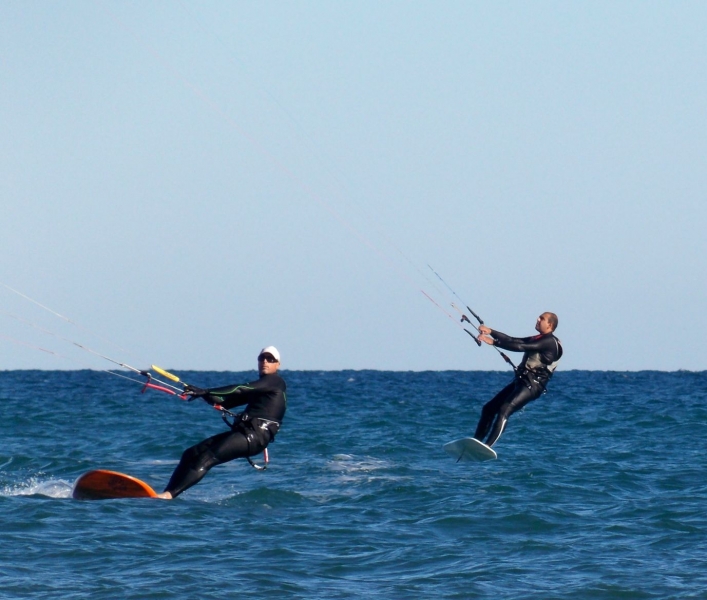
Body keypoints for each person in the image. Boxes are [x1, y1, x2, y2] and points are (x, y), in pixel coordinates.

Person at [156, 346, 287, 499]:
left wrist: (206, 390)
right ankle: (165, 494)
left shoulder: (275, 381)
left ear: (277, 364)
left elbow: (241, 388)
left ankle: (168, 495)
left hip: (255, 436)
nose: (265, 362)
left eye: (270, 359)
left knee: (206, 458)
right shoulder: (261, 388)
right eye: (262, 358)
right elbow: (224, 402)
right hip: (245, 434)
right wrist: (200, 393)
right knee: (191, 454)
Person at [473, 312, 562, 448]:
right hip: (521, 382)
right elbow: (513, 340)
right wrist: (491, 331)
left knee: (504, 410)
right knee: (488, 409)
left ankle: (487, 446)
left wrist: (494, 342)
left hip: (532, 386)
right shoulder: (538, 338)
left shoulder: (549, 342)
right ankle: (475, 443)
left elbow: (521, 347)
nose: (538, 319)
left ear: (550, 325)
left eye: (542, 319)